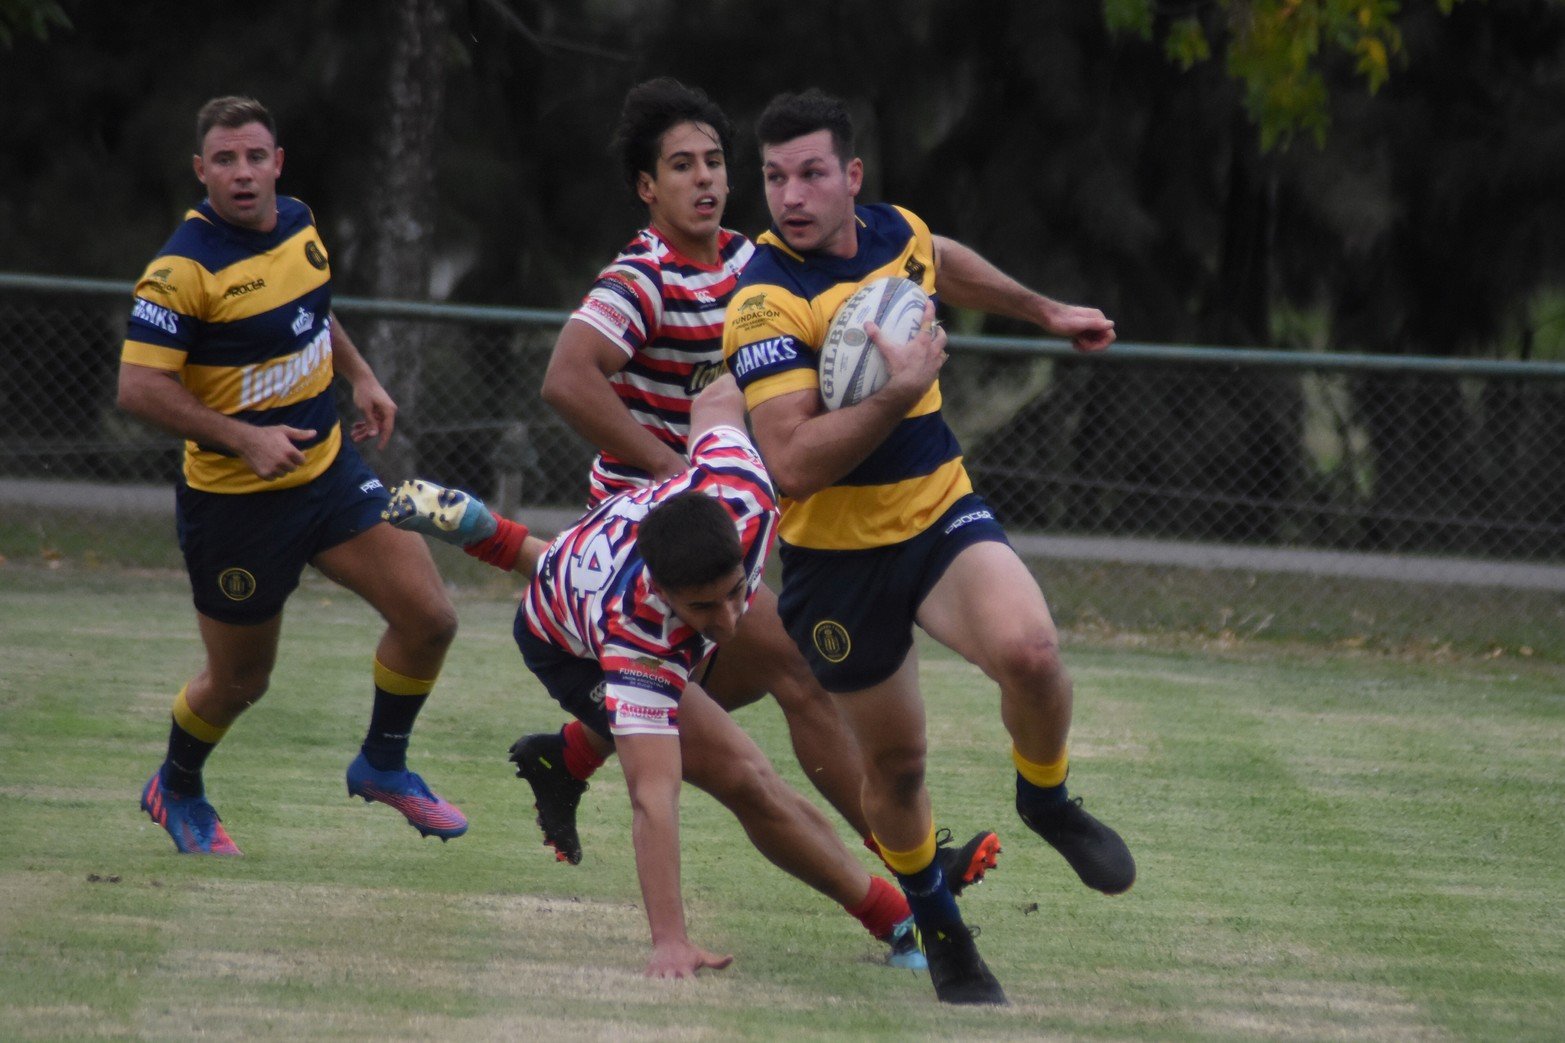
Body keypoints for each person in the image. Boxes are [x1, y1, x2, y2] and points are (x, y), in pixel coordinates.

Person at [509, 77, 999, 892]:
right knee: (793, 674)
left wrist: (1038, 309)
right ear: (646, 187)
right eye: (680, 166)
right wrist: (671, 468)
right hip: (651, 539)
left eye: (713, 161)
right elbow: (566, 378)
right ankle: (916, 872)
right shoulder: (643, 278)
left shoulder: (752, 260)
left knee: (718, 685)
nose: (704, 178)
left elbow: (931, 258)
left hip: (725, 522)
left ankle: (569, 754)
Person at [721, 89, 1137, 1006]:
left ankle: (1046, 796)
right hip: (835, 563)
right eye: (775, 177)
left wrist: (1043, 310)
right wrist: (898, 391)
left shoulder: (894, 230)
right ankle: (942, 928)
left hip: (937, 509)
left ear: (852, 176)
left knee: (1032, 653)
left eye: (811, 173)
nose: (791, 195)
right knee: (898, 767)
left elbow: (937, 259)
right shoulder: (763, 299)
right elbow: (790, 463)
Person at [385, 375, 929, 978]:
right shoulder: (637, 637)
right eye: (703, 607)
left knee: (780, 666)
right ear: (664, 591)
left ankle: (498, 548)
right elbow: (653, 796)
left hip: (589, 555)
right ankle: (897, 919)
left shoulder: (745, 488)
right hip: (565, 641)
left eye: (736, 593)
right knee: (745, 776)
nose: (729, 620)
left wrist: (795, 364)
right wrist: (669, 940)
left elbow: (718, 397)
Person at [119, 95, 466, 856]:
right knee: (241, 682)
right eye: (225, 160)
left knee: (430, 618)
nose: (242, 173)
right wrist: (242, 438)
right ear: (201, 170)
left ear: (277, 162)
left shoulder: (300, 222)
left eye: (255, 157)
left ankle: (383, 764)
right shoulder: (181, 271)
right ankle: (177, 785)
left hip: (329, 475)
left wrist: (361, 376)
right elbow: (138, 388)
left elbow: (314, 311)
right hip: (235, 507)